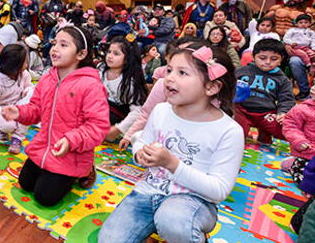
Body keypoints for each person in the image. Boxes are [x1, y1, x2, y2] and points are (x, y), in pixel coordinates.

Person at [99, 45, 243, 243]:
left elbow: (219, 189)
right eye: (169, 70)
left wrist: (172, 164)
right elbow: (142, 141)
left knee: (173, 221)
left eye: (182, 72)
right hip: (148, 192)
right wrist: (140, 153)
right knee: (108, 240)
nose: (169, 78)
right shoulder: (161, 110)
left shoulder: (229, 131)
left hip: (194, 201)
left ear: (211, 87)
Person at [2, 26, 110, 205]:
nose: (55, 49)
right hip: (45, 145)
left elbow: (97, 127)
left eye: (63, 45)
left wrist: (71, 141)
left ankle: (86, 169)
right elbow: (36, 109)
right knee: (26, 183)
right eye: (54, 43)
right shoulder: (47, 78)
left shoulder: (90, 85)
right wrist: (19, 112)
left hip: (71, 152)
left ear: (81, 54)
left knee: (44, 197)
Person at [118, 38, 209, 152]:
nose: (172, 77)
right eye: (170, 70)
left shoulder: (209, 97)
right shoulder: (162, 86)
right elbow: (146, 114)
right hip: (162, 144)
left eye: (183, 71)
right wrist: (129, 135)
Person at [235, 39, 294, 143]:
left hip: (266, 113)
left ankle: (264, 134)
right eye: (262, 58)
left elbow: (287, 99)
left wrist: (283, 113)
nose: (267, 62)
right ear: (253, 57)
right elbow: (228, 87)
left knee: (287, 132)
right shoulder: (241, 71)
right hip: (241, 110)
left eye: (274, 59)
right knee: (237, 134)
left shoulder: (283, 79)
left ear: (281, 60)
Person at [102, 36, 148, 142]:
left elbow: (137, 112)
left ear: (127, 59)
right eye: (109, 52)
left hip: (113, 120)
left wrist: (118, 129)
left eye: (116, 53)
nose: (109, 56)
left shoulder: (129, 83)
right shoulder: (101, 71)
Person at [281, 85, 315, 184]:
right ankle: (292, 163)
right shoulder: (303, 109)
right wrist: (299, 141)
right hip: (307, 152)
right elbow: (291, 126)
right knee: (306, 179)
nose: (313, 88)